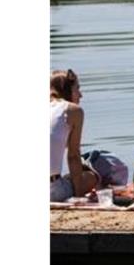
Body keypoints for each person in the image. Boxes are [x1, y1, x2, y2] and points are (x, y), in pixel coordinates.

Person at [50, 69, 98, 202]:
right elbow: (73, 156)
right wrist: (79, 195)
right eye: (77, 88)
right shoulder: (72, 110)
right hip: (51, 192)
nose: (81, 95)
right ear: (67, 89)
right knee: (91, 176)